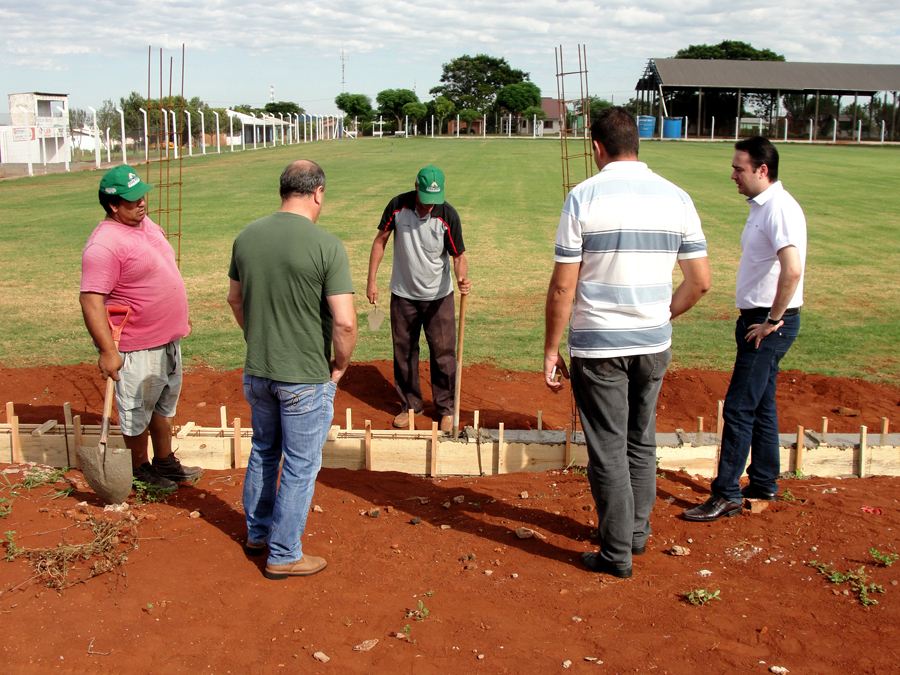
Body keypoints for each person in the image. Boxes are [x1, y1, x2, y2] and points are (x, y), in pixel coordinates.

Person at [543, 108, 711, 579]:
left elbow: (562, 288)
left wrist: (552, 349)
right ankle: (635, 534)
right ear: (637, 142)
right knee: (641, 439)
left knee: (609, 449)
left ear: (597, 146)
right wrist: (663, 314)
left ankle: (615, 553)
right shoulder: (677, 198)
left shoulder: (583, 197)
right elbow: (700, 282)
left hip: (599, 347)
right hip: (653, 342)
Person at [227, 160, 357, 580]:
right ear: (318, 192)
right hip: (304, 375)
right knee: (301, 463)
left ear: (284, 190)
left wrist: (258, 338)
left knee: (264, 450)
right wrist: (340, 365)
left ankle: (257, 535)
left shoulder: (246, 237)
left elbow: (234, 298)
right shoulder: (327, 245)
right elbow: (345, 322)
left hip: (258, 370)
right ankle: (284, 555)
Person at [683, 137, 806, 522]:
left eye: (739, 168)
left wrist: (771, 320)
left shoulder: (779, 209)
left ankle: (726, 494)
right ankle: (765, 481)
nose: (733, 174)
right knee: (761, 403)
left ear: (762, 170)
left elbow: (794, 269)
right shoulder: (763, 207)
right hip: (758, 319)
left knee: (738, 407)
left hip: (767, 323)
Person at [80, 165, 201, 493]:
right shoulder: (103, 246)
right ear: (113, 205)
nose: (142, 203)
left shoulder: (145, 224)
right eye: (133, 200)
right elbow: (91, 300)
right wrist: (107, 351)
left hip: (168, 339)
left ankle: (163, 461)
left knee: (164, 403)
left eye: (142, 195)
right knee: (136, 411)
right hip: (136, 345)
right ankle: (139, 468)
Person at [367, 165, 472, 432]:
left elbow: (458, 255)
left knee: (444, 353)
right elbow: (381, 240)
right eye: (425, 200)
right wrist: (371, 280)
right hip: (403, 294)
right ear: (416, 188)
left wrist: (462, 278)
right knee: (404, 352)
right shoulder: (397, 206)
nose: (429, 207)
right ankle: (410, 405)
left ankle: (446, 409)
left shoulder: (448, 214)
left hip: (439, 297)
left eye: (434, 201)